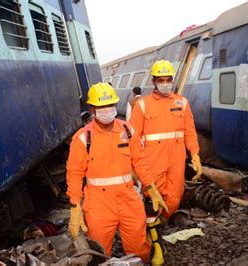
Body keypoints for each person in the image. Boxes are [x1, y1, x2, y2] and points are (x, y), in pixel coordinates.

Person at [66, 82, 168, 263]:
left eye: (110, 105)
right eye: (102, 106)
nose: (107, 110)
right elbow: (74, 174)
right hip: (98, 204)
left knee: (140, 250)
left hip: (128, 199)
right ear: (92, 109)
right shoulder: (83, 138)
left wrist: (151, 188)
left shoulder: (128, 130)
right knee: (99, 253)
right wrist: (75, 207)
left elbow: (140, 162)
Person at [129, 60, 203, 264]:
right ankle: (156, 245)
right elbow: (133, 139)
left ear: (172, 79)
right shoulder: (142, 105)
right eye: (160, 80)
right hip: (153, 162)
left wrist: (195, 154)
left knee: (173, 200)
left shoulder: (182, 102)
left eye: (167, 79)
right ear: (153, 81)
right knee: (153, 200)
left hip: (176, 162)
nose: (164, 83)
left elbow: (190, 131)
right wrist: (134, 166)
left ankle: (152, 226)